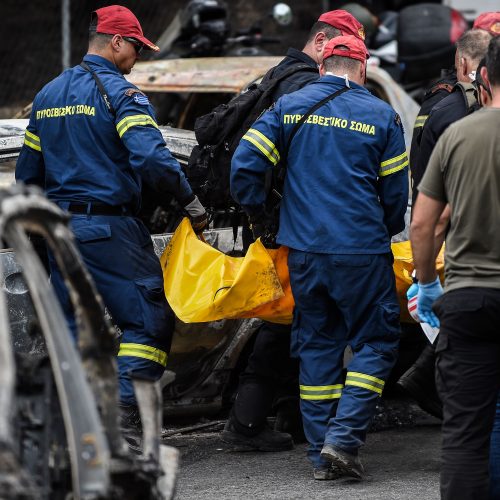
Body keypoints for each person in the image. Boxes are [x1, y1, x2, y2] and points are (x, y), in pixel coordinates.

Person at [16, 5, 207, 438]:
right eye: (136, 47)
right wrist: (191, 202)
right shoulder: (122, 94)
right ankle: (122, 421)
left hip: (59, 231)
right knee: (149, 322)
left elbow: (28, 174)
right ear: (116, 41)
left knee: (68, 331)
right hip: (109, 229)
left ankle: (65, 429)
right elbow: (153, 159)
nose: (138, 56)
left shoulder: (47, 96)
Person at [231, 34, 408, 480]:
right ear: (363, 69)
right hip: (362, 251)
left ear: (323, 62)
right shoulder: (381, 115)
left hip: (305, 253)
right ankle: (343, 440)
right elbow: (395, 196)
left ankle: (319, 456)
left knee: (317, 346)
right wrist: (379, 230)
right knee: (377, 342)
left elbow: (245, 161)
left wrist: (260, 215)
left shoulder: (291, 106)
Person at [221, 9, 367, 457]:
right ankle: (250, 421)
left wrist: (260, 214)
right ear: (322, 42)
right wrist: (275, 219)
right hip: (301, 229)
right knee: (288, 324)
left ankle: (283, 415)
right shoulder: (304, 87)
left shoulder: (279, 77)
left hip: (279, 222)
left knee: (289, 319)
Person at [410, 36, 500, 500]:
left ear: (482, 77)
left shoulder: (459, 135)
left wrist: (427, 283)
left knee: (465, 428)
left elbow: (427, 222)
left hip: (469, 298)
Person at [398, 27, 492, 418]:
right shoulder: (467, 117)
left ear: (464, 65)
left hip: (435, 225)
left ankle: (427, 381)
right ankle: (431, 383)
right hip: (461, 235)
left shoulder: (435, 103)